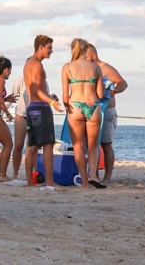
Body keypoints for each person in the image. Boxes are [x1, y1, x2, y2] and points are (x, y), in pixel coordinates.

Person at [61, 39, 106, 189]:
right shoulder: (96, 68)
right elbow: (100, 93)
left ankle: (85, 182)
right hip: (93, 105)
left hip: (75, 106)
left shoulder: (67, 67)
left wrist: (67, 106)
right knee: (93, 146)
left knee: (78, 146)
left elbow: (65, 96)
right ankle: (93, 174)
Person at [24, 35, 63, 190]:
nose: (51, 51)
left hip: (32, 107)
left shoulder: (28, 63)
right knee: (48, 144)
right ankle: (49, 181)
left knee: (32, 145)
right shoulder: (37, 65)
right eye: (49, 48)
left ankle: (28, 182)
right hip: (40, 108)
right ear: (40, 46)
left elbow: (36, 91)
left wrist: (49, 97)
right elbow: (35, 89)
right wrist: (51, 102)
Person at [86, 44, 128, 183]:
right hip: (93, 110)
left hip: (107, 109)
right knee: (92, 144)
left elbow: (122, 83)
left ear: (93, 56)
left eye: (85, 56)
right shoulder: (87, 69)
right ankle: (94, 174)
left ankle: (107, 176)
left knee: (106, 143)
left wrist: (113, 91)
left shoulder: (106, 68)